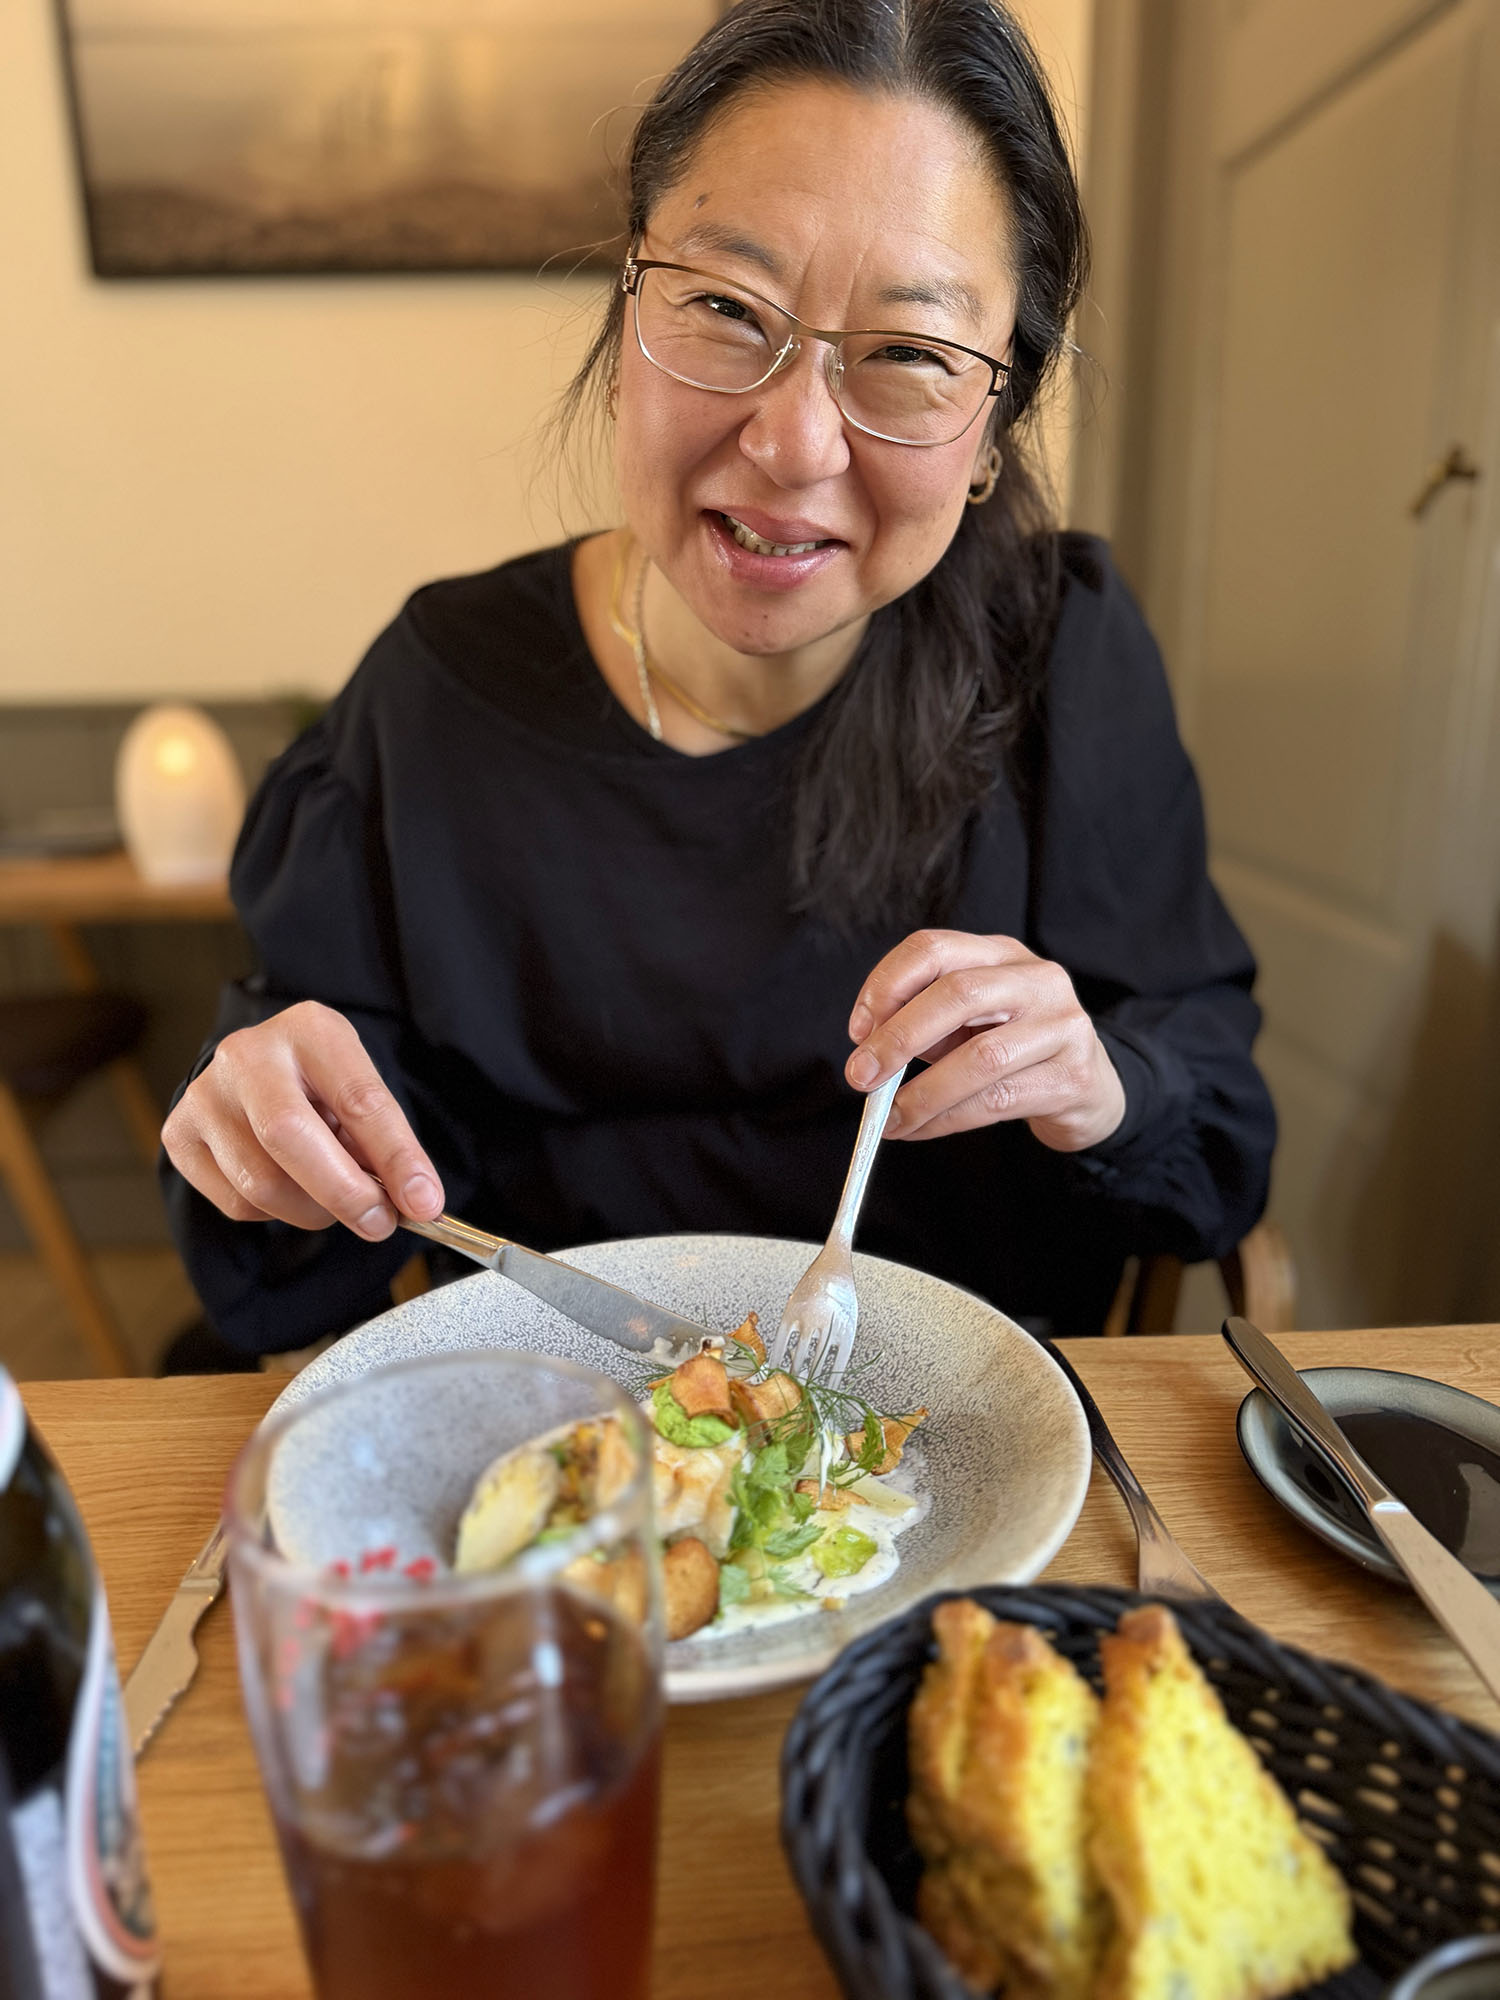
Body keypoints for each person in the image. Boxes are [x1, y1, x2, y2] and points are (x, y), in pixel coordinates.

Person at [160, 0, 1275, 1354]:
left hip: (975, 1466)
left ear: (992, 432)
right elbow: (296, 1239)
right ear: (627, 314)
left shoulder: (1061, 662)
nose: (796, 445)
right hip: (561, 1465)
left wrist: (1106, 1082)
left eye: (912, 356)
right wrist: (274, 1134)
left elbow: (1214, 1136)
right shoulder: (438, 698)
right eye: (726, 311)